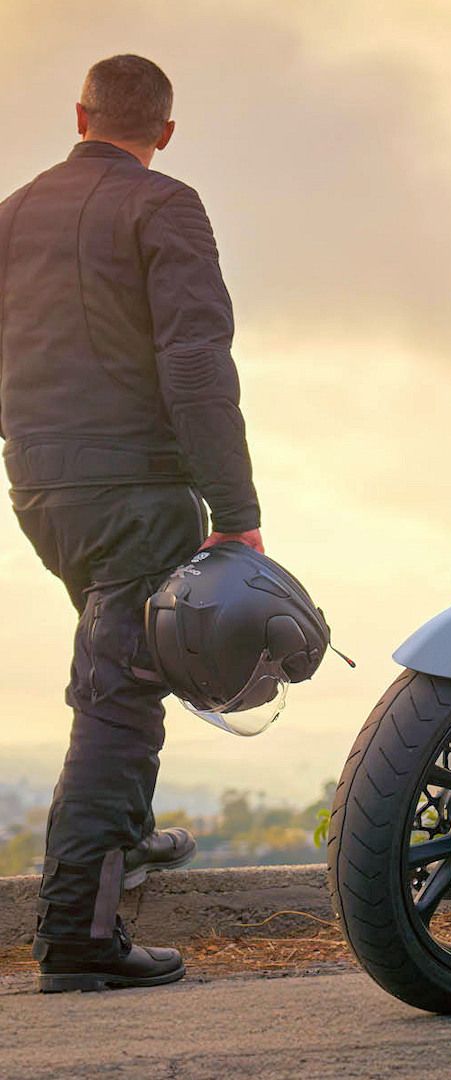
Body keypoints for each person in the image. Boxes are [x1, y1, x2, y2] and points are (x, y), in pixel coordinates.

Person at [0, 54, 262, 992]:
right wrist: (237, 515)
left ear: (80, 115)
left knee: (118, 663)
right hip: (133, 493)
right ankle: (78, 934)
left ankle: (128, 835)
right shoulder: (166, 205)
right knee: (118, 700)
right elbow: (195, 363)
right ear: (164, 131)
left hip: (40, 490)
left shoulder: (15, 210)